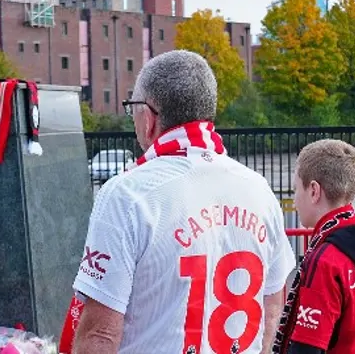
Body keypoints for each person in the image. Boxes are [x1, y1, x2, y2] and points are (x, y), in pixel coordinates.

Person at [64, 50, 295, 354]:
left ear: (148, 117)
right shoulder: (258, 189)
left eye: (133, 109)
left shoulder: (127, 194)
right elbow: (273, 304)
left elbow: (100, 334)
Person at [272, 140, 355, 354]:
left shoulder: (325, 259)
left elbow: (307, 347)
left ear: (314, 191)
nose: (295, 199)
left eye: (296, 189)